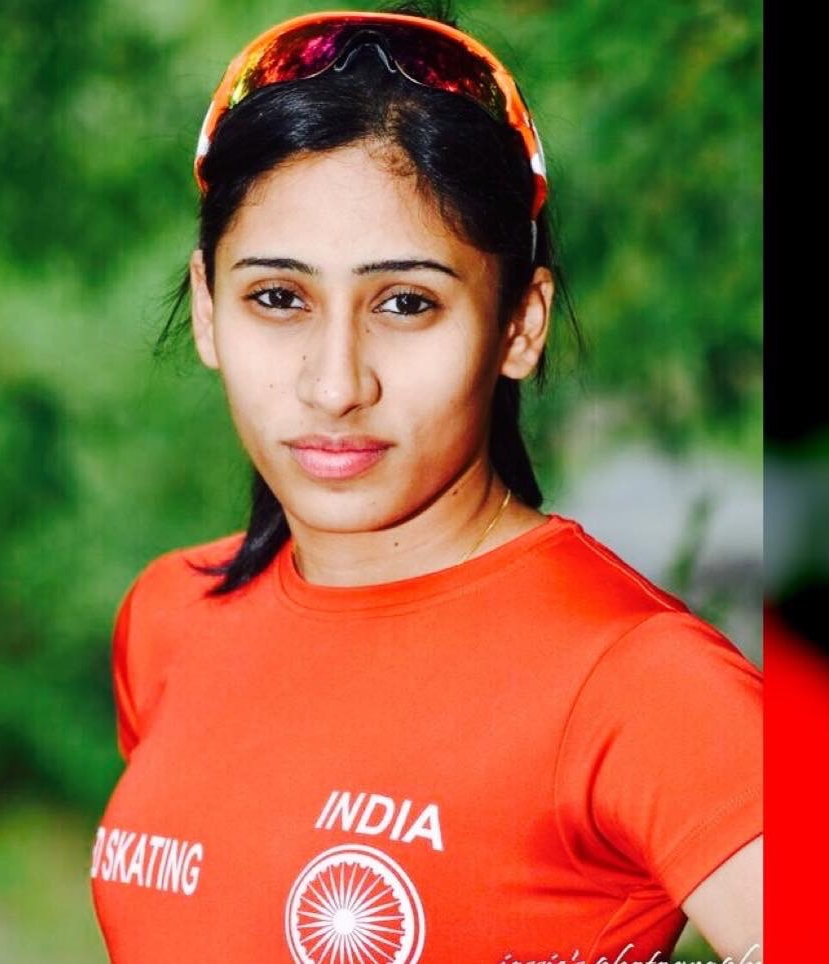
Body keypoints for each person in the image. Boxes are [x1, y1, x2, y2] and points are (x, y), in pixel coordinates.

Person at [89, 6, 762, 962]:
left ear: (520, 326)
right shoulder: (170, 618)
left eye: (406, 303)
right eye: (278, 298)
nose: (335, 384)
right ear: (206, 309)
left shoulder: (637, 681)